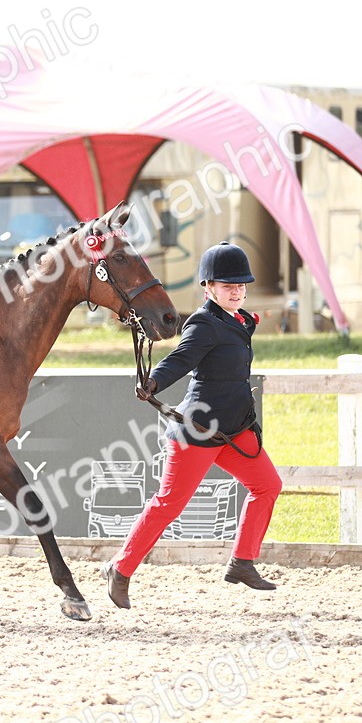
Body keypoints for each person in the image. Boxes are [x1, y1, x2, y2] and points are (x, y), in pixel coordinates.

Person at [102, 241, 283, 609]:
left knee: (267, 486)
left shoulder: (241, 319)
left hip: (234, 430)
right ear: (208, 288)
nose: (237, 291)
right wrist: (154, 381)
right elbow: (180, 359)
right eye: (227, 285)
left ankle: (242, 562)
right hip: (198, 432)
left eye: (241, 285)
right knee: (168, 505)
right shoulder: (203, 322)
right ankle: (119, 570)